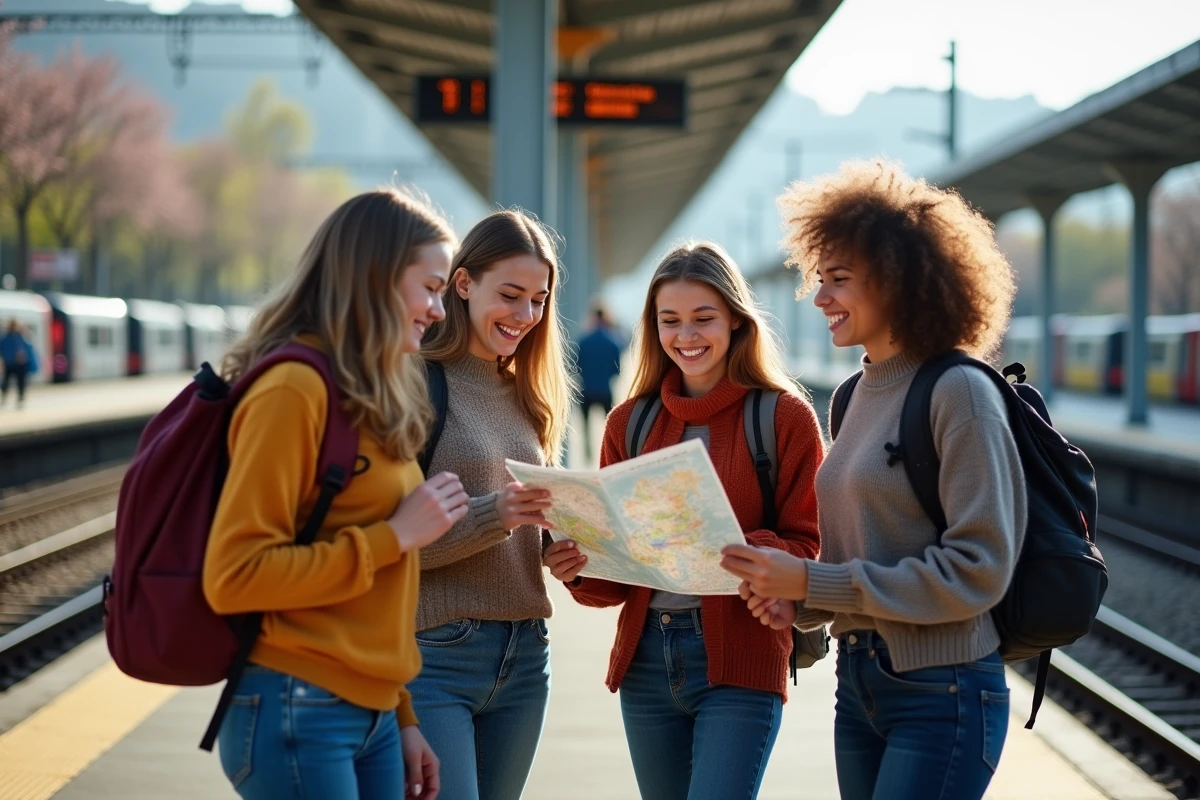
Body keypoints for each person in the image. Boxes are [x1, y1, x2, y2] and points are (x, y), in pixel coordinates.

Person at [722, 160, 1027, 800]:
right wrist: (797, 602)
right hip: (859, 685)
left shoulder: (960, 392)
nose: (820, 297)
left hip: (942, 689)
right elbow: (861, 555)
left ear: (896, 281)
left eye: (838, 281)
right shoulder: (854, 393)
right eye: (818, 279)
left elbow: (980, 567)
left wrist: (812, 580)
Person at [202, 188, 466, 800]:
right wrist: (395, 536)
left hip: (368, 712)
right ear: (373, 277)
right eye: (429, 287)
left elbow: (378, 595)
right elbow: (234, 575)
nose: (437, 309)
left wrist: (401, 715)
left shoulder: (373, 394)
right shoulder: (295, 390)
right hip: (300, 702)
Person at [545, 242, 824, 800]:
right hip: (647, 661)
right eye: (670, 321)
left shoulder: (784, 417)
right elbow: (614, 585)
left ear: (736, 323)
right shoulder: (630, 422)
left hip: (741, 659)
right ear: (652, 328)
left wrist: (724, 543)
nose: (686, 336)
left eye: (704, 319)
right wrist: (576, 565)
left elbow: (812, 547)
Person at [414, 209, 574, 800]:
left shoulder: (527, 395)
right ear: (463, 283)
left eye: (538, 300)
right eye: (510, 295)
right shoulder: (417, 382)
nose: (525, 316)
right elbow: (387, 543)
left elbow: (530, 524)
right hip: (434, 655)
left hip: (526, 657)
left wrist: (564, 544)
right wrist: (496, 516)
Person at [574, 304, 624, 460]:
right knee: (608, 426)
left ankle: (587, 454)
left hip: (586, 390)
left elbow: (576, 367)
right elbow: (616, 372)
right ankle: (607, 453)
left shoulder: (583, 340)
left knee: (586, 427)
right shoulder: (613, 342)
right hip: (605, 390)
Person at [1, 320, 38, 409]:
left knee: (20, 382)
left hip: (20, 364)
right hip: (9, 362)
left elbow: (29, 349)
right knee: (6, 382)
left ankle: (20, 398)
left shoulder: (22, 337)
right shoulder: (5, 337)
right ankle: (4, 396)